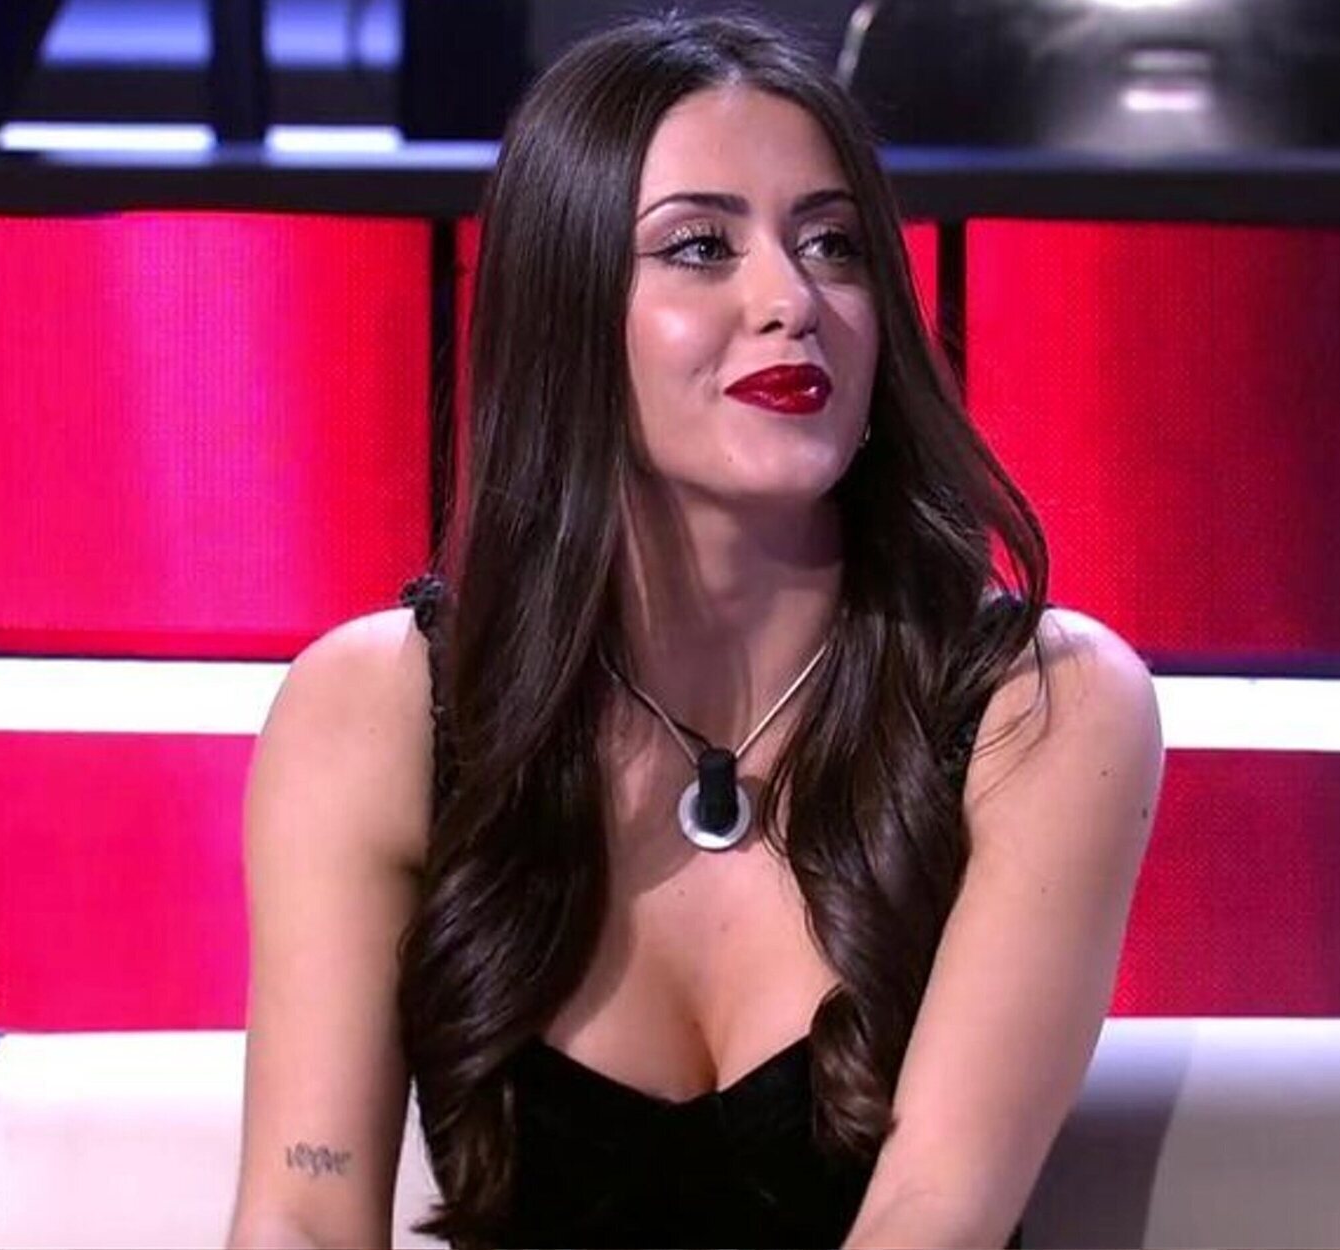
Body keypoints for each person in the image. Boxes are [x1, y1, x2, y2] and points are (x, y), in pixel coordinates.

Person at [226, 12, 1162, 1249]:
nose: (789, 299)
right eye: (700, 247)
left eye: (831, 243)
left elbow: (932, 1215)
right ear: (567, 309)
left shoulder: (1041, 708)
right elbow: (301, 1209)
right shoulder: (373, 711)